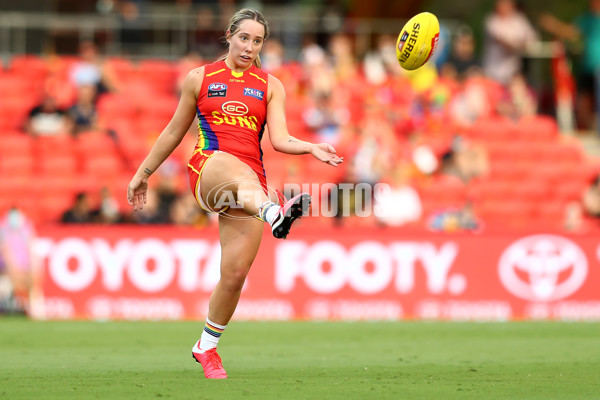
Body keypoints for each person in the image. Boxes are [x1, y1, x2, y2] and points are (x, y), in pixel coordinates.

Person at [126, 8, 343, 380]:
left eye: (257, 40)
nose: (249, 46)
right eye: (244, 38)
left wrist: (310, 147)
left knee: (235, 274)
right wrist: (143, 174)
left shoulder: (271, 85)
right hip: (209, 168)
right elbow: (173, 132)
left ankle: (206, 348)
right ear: (229, 35)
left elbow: (279, 140)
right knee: (240, 172)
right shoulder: (200, 78)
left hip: (250, 186)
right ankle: (275, 214)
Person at [540, 0, 600, 132]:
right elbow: (571, 32)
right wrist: (553, 26)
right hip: (588, 68)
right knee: (583, 105)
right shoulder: (587, 18)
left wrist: (553, 24)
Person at [482, 0, 538, 85]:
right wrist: (519, 46)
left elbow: (532, 39)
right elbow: (502, 41)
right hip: (493, 71)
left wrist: (523, 45)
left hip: (514, 71)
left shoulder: (519, 20)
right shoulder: (492, 21)